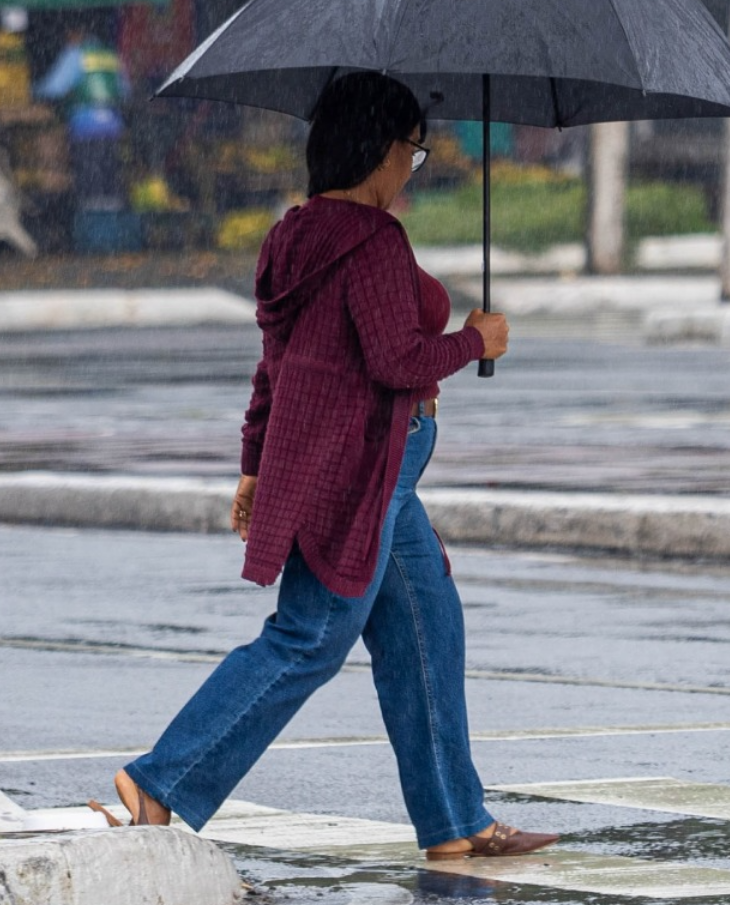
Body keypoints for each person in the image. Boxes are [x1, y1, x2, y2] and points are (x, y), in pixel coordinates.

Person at [92, 72, 557, 861]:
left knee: (426, 626)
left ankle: (455, 821)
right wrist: (477, 341)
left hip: (363, 468)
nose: (413, 167)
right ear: (379, 150)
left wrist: (254, 464)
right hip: (362, 463)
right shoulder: (373, 241)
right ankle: (161, 781)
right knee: (308, 638)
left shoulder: (294, 235)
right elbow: (396, 359)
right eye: (412, 151)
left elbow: (277, 366)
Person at [35, 26, 133, 252]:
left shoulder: (75, 55)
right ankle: (113, 238)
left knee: (89, 185)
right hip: (112, 129)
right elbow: (124, 90)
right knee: (109, 183)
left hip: (85, 129)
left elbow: (54, 89)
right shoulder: (110, 56)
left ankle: (92, 239)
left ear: (73, 34)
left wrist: (32, 89)